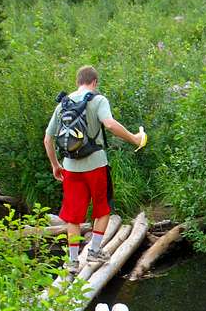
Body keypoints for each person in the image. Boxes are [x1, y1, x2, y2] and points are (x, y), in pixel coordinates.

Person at [44, 65, 145, 273]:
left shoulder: (63, 104)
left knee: (73, 216)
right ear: (95, 82)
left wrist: (56, 165)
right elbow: (109, 125)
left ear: (77, 81)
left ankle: (72, 262)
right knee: (102, 208)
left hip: (70, 168)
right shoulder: (98, 100)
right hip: (96, 165)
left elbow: (47, 139)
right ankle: (94, 251)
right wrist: (134, 138)